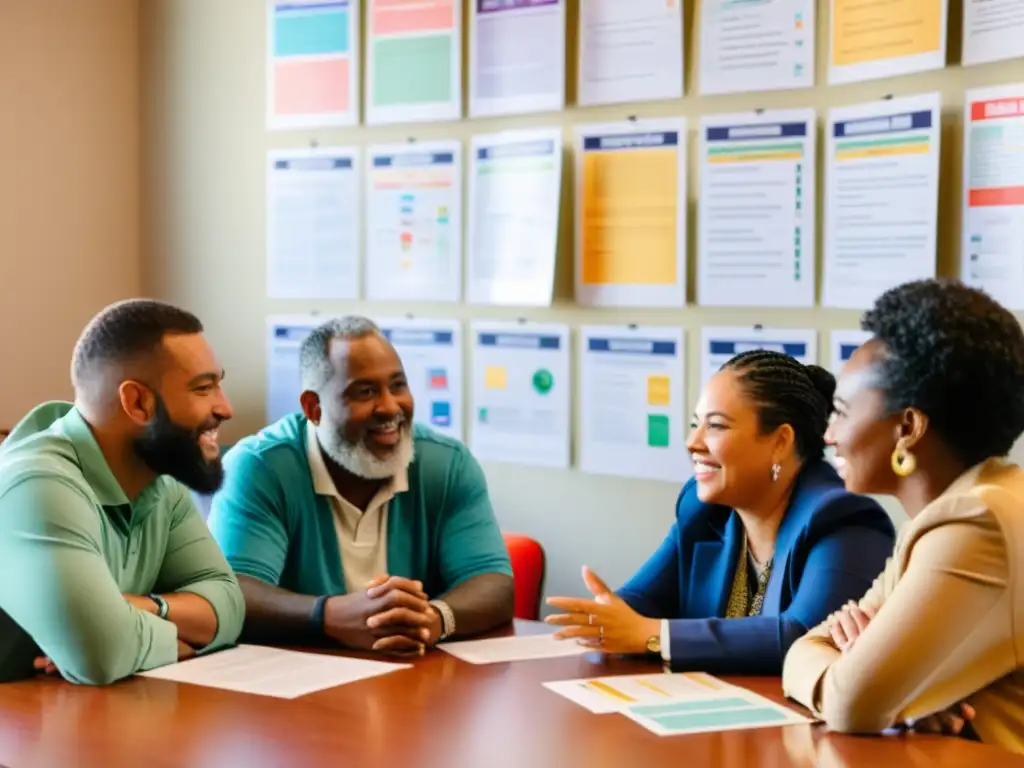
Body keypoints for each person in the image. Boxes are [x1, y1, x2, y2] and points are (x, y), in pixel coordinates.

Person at [782, 278, 1024, 753]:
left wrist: (874, 682)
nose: (829, 434)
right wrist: (891, 687)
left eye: (841, 413)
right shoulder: (955, 509)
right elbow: (823, 653)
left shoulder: (975, 523)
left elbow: (852, 703)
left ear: (908, 427)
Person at [545, 350, 895, 674]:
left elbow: (805, 635)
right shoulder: (703, 510)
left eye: (715, 426)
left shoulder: (842, 517)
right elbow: (643, 601)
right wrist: (608, 613)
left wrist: (654, 636)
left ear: (780, 442)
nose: (693, 442)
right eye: (695, 424)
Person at [207, 316, 514, 657]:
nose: (390, 407)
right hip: (298, 687)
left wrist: (433, 618)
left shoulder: (447, 462)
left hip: (417, 682)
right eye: (365, 392)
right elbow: (233, 593)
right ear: (313, 407)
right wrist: (328, 615)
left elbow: (494, 583)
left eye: (397, 385)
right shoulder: (259, 467)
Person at [0, 299, 245, 685]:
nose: (225, 407)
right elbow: (100, 655)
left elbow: (229, 609)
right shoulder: (36, 485)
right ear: (137, 402)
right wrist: (179, 636)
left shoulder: (161, 482)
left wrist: (138, 610)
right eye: (204, 388)